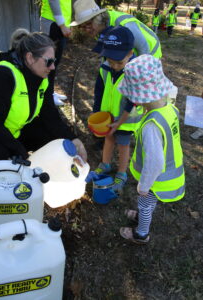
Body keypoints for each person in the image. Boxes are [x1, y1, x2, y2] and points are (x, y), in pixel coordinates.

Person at [0, 32, 87, 164]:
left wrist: (74, 140)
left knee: (53, 139)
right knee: (3, 159)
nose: (52, 67)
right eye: (49, 62)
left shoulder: (41, 78)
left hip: (13, 131)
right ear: (30, 58)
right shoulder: (1, 75)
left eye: (54, 62)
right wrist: (21, 152)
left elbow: (50, 115)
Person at [118, 54, 185, 244]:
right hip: (170, 172)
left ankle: (141, 233)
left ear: (137, 99)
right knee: (147, 203)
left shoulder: (151, 126)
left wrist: (144, 185)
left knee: (145, 203)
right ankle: (141, 216)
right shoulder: (170, 108)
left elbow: (155, 162)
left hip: (158, 179)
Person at [92, 26, 143, 192]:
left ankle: (122, 173)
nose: (114, 65)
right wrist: (96, 112)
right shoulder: (105, 68)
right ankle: (105, 164)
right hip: (109, 115)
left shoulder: (133, 72)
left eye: (118, 62)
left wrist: (120, 122)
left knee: (122, 143)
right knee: (108, 138)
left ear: (130, 53)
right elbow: (99, 91)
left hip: (126, 118)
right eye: (110, 60)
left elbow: (132, 100)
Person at [70, 0, 162, 59]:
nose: (86, 29)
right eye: (82, 26)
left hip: (150, 52)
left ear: (98, 18)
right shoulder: (98, 29)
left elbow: (143, 48)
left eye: (88, 24)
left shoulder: (124, 24)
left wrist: (139, 72)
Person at [40, 0, 72, 106]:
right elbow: (53, 2)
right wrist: (62, 25)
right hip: (53, 24)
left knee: (54, 62)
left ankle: (50, 92)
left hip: (58, 23)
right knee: (49, 62)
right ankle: (47, 96)